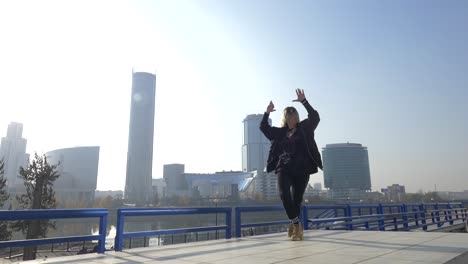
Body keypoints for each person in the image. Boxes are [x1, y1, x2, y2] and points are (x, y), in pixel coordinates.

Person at [260, 88, 323, 241]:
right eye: (289, 116)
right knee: (283, 194)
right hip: (284, 168)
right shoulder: (279, 133)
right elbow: (263, 127)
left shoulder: (305, 128)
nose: (292, 119)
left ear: (297, 117)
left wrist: (304, 102)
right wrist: (267, 112)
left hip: (302, 169)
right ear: (285, 118)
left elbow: (315, 117)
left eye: (294, 116)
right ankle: (296, 225)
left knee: (296, 199)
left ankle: (294, 224)